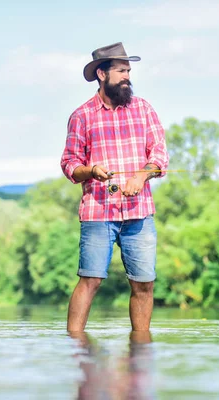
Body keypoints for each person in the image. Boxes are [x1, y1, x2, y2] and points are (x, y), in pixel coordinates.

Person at [60, 42, 169, 332]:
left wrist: (141, 177)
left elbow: (159, 156)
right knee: (90, 280)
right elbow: (70, 163)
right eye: (121, 71)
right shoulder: (81, 116)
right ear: (101, 74)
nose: (127, 77)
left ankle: (141, 348)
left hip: (140, 213)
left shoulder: (144, 109)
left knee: (144, 284)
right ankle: (75, 346)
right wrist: (91, 171)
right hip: (98, 212)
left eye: (128, 71)